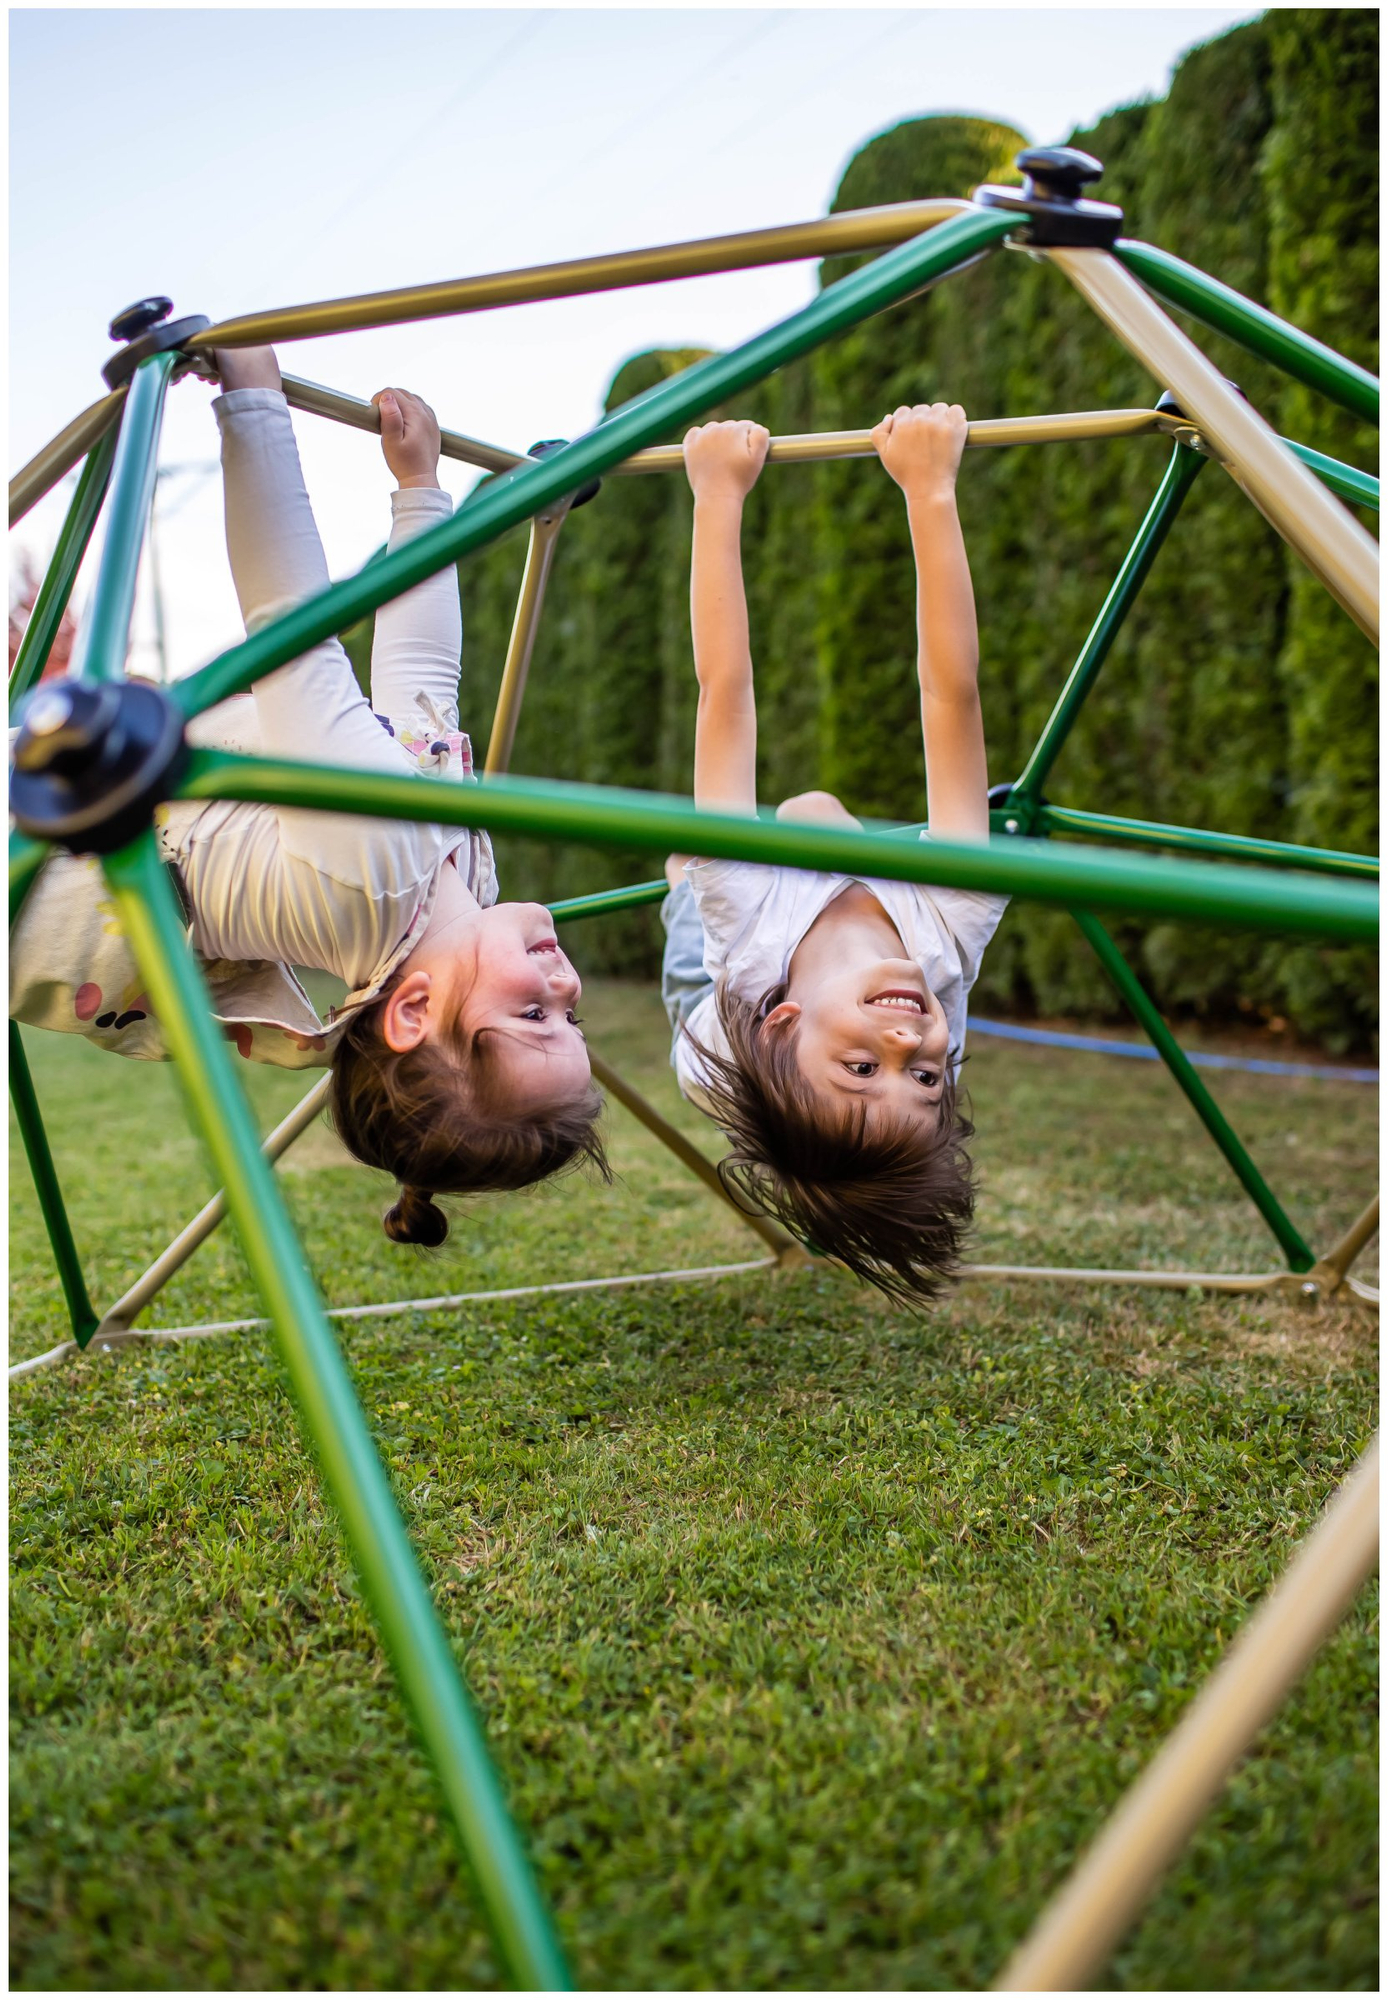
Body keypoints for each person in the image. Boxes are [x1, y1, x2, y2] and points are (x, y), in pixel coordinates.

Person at [9, 346, 605, 1244]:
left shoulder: (370, 875)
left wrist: (254, 401)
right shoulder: (460, 882)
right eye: (573, 1014)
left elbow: (294, 628)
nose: (565, 981)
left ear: (410, 1011)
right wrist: (420, 494)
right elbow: (423, 686)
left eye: (533, 1013)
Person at [660, 405, 1007, 1307]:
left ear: (783, 1025)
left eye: (864, 1069)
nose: (906, 1042)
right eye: (928, 1075)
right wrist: (931, 489)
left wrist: (717, 494)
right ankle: (811, 847)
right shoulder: (954, 923)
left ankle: (684, 880)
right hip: (814, 948)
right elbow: (952, 699)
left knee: (698, 873)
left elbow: (724, 694)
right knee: (810, 816)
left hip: (713, 1019)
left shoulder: (742, 956)